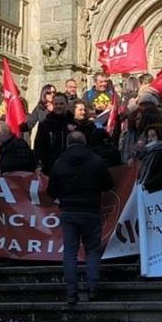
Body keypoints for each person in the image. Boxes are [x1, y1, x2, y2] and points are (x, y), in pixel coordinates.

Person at [48, 131, 114, 305]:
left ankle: (71, 293)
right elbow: (108, 184)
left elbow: (51, 190)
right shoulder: (96, 160)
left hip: (69, 210)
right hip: (91, 209)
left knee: (70, 252)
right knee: (92, 250)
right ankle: (93, 287)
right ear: (84, 142)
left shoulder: (60, 162)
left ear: (68, 143)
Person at [35, 92, 81, 173]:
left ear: (67, 105)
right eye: (56, 104)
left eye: (61, 104)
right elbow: (39, 145)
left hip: (71, 167)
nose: (58, 106)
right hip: (51, 167)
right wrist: (40, 164)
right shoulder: (45, 124)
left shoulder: (75, 124)